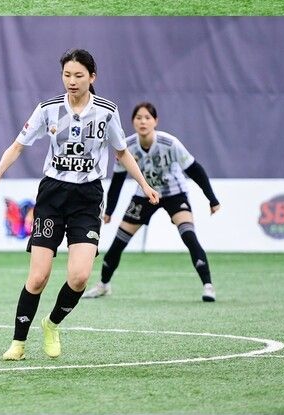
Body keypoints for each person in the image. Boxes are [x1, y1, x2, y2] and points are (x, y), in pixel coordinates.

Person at [0, 49, 159, 361]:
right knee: (38, 277)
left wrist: (145, 185)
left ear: (92, 77)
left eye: (79, 75)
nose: (72, 81)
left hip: (87, 198)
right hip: (52, 196)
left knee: (79, 277)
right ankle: (18, 343)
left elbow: (121, 152)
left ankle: (52, 324)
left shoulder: (107, 112)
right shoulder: (48, 109)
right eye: (67, 74)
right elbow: (18, 145)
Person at [84, 101, 219, 302]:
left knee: (189, 235)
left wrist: (212, 199)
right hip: (144, 195)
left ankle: (208, 286)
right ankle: (103, 285)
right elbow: (118, 181)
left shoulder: (170, 143)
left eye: (147, 118)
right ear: (133, 122)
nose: (143, 122)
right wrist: (109, 211)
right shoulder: (126, 146)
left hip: (174, 193)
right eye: (138, 118)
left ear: (156, 121)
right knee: (119, 241)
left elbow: (195, 170)